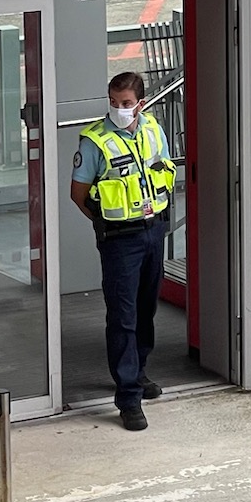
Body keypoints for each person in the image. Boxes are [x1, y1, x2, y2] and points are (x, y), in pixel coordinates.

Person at [70, 72, 177, 431]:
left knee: (146, 309)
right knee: (123, 316)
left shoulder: (152, 130)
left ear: (140, 103)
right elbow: (79, 195)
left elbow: (161, 170)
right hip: (120, 240)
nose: (119, 109)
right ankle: (128, 398)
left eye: (126, 103)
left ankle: (139, 372)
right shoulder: (94, 141)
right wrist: (107, 225)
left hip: (153, 230)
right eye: (114, 102)